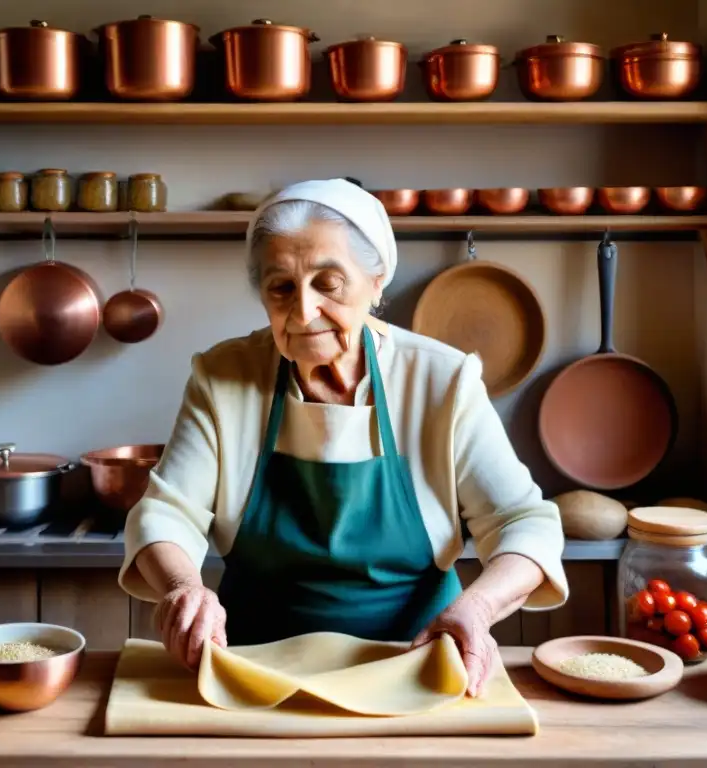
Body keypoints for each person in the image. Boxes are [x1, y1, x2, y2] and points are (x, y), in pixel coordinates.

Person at [118, 178, 568, 696]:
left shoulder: (443, 380)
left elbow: (524, 523)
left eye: (328, 283)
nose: (303, 312)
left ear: (376, 283)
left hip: (419, 664)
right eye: (281, 287)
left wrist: (478, 608)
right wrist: (183, 588)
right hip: (252, 668)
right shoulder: (223, 376)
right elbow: (167, 513)